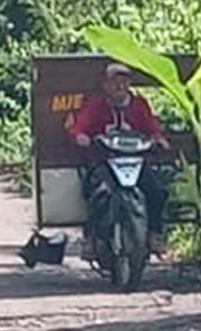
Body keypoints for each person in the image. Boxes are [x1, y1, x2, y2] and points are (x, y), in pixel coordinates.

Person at [67, 62, 173, 253]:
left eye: (124, 82)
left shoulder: (139, 105)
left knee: (157, 191)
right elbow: (79, 126)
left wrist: (158, 140)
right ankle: (94, 238)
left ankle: (154, 235)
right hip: (105, 162)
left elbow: (152, 128)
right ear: (105, 85)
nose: (120, 87)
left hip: (137, 163)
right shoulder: (96, 105)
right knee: (100, 193)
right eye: (114, 82)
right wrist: (80, 136)